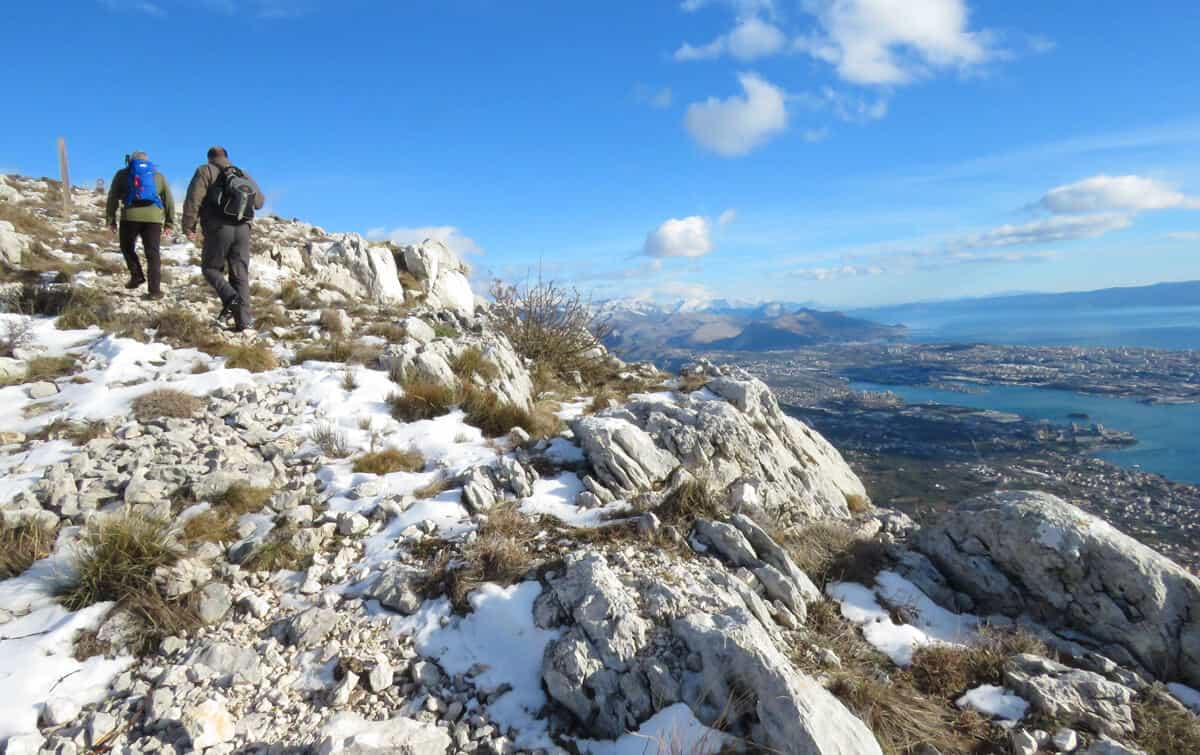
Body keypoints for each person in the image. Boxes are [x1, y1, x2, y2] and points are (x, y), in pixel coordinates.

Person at [182, 146, 265, 332]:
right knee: (240, 274)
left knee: (211, 268)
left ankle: (230, 298)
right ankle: (244, 323)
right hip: (243, 229)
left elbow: (193, 199)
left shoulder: (205, 170)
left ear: (210, 158)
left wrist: (188, 226)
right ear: (227, 157)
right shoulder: (242, 173)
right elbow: (260, 202)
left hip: (218, 228)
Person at [105, 151, 175, 299]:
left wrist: (110, 219)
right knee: (153, 254)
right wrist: (169, 222)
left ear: (130, 162)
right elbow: (168, 199)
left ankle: (137, 275)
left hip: (130, 217)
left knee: (127, 247)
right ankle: (155, 290)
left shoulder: (122, 174)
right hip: (154, 220)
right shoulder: (158, 176)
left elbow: (112, 197)